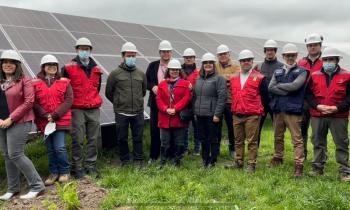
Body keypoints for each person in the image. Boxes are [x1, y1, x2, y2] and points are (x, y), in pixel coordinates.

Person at [0, 50, 45, 200]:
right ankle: (13, 188)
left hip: (20, 121)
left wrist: (11, 118)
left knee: (15, 154)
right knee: (7, 155)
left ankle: (37, 185)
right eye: (5, 62)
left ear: (17, 65)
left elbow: (29, 102)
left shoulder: (24, 80)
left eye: (11, 62)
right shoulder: (0, 81)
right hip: (1, 123)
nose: (7, 65)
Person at [305, 47, 350, 181]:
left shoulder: (347, 75)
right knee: (318, 141)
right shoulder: (314, 75)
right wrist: (317, 106)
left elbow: (349, 97)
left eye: (331, 59)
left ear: (337, 60)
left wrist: (337, 108)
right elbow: (308, 94)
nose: (328, 62)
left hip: (338, 116)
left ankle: (344, 171)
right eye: (325, 59)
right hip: (318, 115)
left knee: (341, 142)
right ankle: (317, 168)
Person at [61, 37, 103, 179]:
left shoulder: (97, 68)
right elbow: (63, 89)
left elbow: (96, 89)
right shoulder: (67, 68)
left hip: (93, 108)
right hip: (77, 108)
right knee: (77, 139)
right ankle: (77, 167)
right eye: (81, 48)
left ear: (90, 50)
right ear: (77, 50)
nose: (84, 51)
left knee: (93, 139)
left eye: (87, 49)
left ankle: (90, 165)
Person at [224, 50, 269, 173]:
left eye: (248, 60)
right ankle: (238, 162)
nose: (246, 62)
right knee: (238, 140)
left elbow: (265, 97)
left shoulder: (260, 77)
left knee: (252, 141)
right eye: (243, 60)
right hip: (237, 114)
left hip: (252, 115)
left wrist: (259, 111)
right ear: (240, 62)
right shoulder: (233, 78)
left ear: (252, 61)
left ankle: (251, 164)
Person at [268, 43, 308, 177]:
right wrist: (287, 90)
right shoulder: (277, 71)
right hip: (278, 109)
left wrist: (280, 87)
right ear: (283, 56)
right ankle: (278, 157)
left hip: (293, 110)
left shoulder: (302, 71)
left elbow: (296, 86)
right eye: (287, 55)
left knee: (297, 138)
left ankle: (298, 165)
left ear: (296, 56)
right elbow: (270, 87)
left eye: (292, 55)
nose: (290, 57)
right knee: (277, 136)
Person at [32, 54, 73, 185]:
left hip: (59, 120)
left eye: (54, 65)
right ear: (43, 67)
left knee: (60, 147)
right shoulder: (35, 83)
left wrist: (55, 114)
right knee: (50, 149)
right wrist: (45, 114)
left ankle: (65, 171)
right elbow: (33, 102)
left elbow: (69, 100)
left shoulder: (65, 81)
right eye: (49, 65)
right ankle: (54, 172)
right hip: (45, 122)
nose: (52, 67)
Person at [105, 42, 146, 166]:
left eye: (133, 56)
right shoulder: (115, 74)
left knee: (138, 137)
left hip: (138, 112)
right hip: (121, 112)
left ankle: (138, 160)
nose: (131, 58)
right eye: (129, 55)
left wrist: (137, 101)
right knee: (122, 138)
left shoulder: (140, 73)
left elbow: (143, 91)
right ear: (123, 56)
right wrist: (119, 102)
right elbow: (108, 92)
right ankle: (125, 160)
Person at [156, 59, 192, 167]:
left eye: (176, 70)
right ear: (169, 71)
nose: (174, 72)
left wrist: (175, 108)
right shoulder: (162, 84)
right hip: (164, 117)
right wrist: (165, 109)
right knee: (164, 142)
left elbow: (186, 98)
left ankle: (177, 162)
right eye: (172, 70)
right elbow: (158, 99)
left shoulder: (186, 84)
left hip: (178, 118)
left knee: (179, 142)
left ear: (180, 71)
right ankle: (163, 162)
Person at [194, 53, 226, 168]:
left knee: (213, 138)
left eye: (210, 63)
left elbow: (222, 97)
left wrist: (217, 114)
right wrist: (195, 111)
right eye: (205, 63)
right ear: (202, 65)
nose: (208, 65)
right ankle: (205, 159)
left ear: (213, 64)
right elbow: (195, 96)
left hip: (213, 115)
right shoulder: (198, 79)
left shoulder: (219, 79)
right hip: (200, 114)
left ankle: (212, 161)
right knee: (203, 138)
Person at [146, 40, 173, 163]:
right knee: (154, 130)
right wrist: (152, 87)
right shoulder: (152, 66)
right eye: (163, 51)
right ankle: (154, 155)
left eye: (168, 51)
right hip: (155, 104)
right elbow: (146, 81)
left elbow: (182, 80)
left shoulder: (175, 65)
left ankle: (169, 155)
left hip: (171, 104)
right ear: (159, 52)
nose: (166, 54)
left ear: (171, 52)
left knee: (170, 129)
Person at [298, 33, 324, 160]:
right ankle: (302, 154)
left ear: (320, 46)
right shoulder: (301, 62)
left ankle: (319, 158)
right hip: (303, 101)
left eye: (315, 45)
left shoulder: (326, 61)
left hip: (319, 101)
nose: (312, 47)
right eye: (310, 45)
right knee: (302, 129)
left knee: (318, 131)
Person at [254, 40, 283, 146]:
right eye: (267, 50)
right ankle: (254, 153)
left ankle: (277, 154)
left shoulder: (282, 66)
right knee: (256, 128)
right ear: (264, 51)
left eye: (272, 50)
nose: (269, 52)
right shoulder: (258, 67)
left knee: (278, 129)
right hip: (261, 102)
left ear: (275, 51)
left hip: (276, 102)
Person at [215, 44, 240, 157]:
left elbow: (236, 77)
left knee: (232, 126)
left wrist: (220, 78)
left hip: (231, 101)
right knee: (216, 126)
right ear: (217, 56)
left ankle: (233, 149)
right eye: (221, 54)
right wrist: (228, 78)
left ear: (229, 54)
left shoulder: (236, 66)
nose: (223, 56)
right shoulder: (214, 66)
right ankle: (216, 149)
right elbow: (212, 79)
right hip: (218, 101)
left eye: (225, 53)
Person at [181, 48, 200, 155]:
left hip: (196, 103)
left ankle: (197, 149)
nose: (188, 59)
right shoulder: (179, 71)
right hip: (184, 103)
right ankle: (185, 148)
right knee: (184, 127)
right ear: (184, 59)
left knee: (197, 126)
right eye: (186, 58)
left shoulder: (199, 72)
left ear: (194, 58)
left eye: (190, 57)